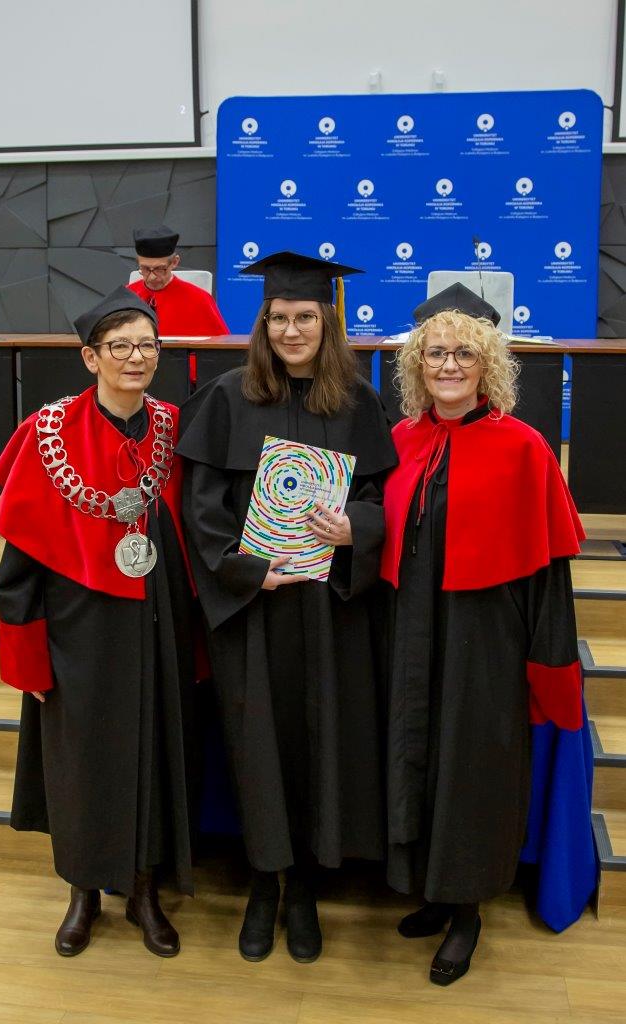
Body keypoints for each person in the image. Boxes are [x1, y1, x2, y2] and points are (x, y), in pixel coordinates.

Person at [176, 251, 396, 964]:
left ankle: (302, 884)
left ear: (328, 323)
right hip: (255, 610)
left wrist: (355, 530)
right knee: (256, 745)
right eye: (279, 318)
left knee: (318, 742)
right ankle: (264, 883)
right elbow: (200, 507)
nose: (292, 330)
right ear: (262, 324)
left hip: (329, 609)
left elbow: (380, 500)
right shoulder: (226, 398)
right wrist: (243, 570)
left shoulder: (358, 402)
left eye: (305, 317)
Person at [381, 283, 587, 985]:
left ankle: (467, 910)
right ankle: (434, 891)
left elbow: (549, 571)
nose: (448, 365)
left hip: (487, 636)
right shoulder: (402, 441)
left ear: (487, 364)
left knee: (472, 765)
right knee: (418, 752)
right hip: (413, 629)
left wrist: (548, 662)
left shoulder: (523, 446)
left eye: (464, 353)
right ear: (417, 364)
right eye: (436, 353)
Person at [0, 286, 196, 958]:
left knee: (153, 754)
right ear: (90, 357)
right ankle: (82, 892)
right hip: (76, 630)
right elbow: (18, 566)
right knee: (79, 763)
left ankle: (143, 890)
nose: (136, 357)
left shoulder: (173, 426)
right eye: (120, 346)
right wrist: (26, 658)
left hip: (155, 622)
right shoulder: (47, 432)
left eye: (147, 345)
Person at [128, 224, 229, 336]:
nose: (152, 277)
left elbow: (222, 343)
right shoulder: (125, 296)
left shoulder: (199, 299)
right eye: (145, 269)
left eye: (160, 269)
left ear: (174, 262)